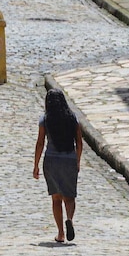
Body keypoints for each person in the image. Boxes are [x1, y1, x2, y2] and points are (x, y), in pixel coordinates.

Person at [33, 89, 83, 243]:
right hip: (69, 159)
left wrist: (35, 165)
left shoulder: (45, 120)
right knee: (70, 196)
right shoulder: (73, 119)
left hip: (52, 161)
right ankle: (69, 218)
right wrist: (78, 160)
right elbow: (79, 142)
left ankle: (61, 233)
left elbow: (40, 143)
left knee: (56, 198)